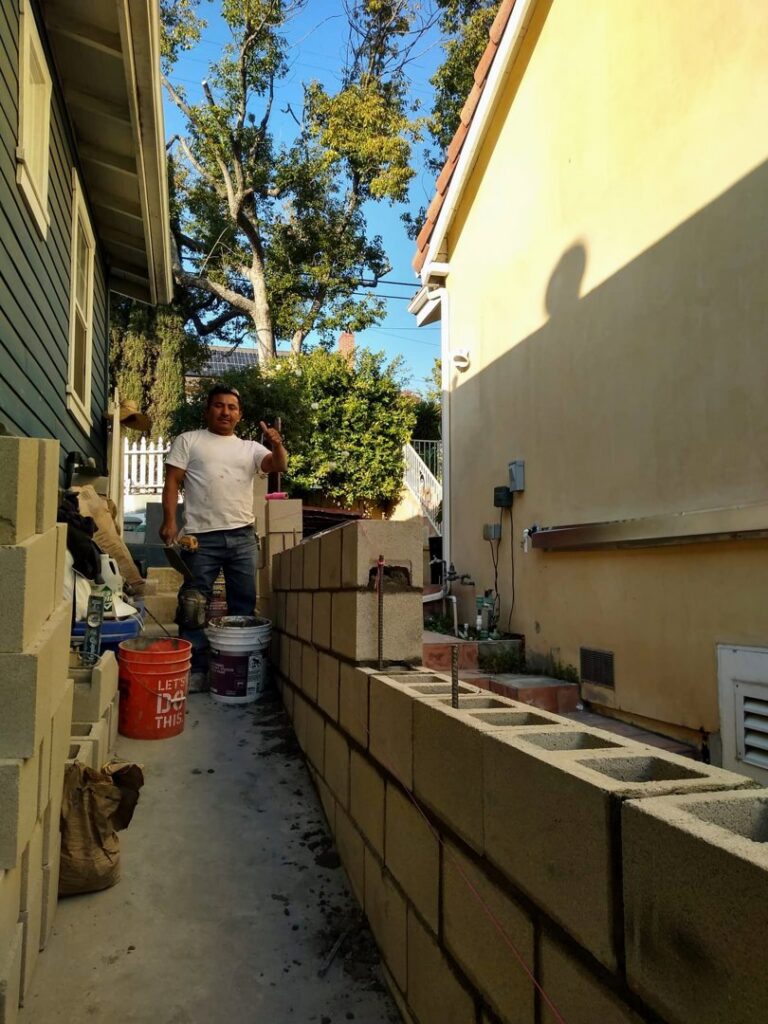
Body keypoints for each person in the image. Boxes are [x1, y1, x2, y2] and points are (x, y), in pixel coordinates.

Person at [160, 384, 288, 688]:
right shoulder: (189, 441)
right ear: (207, 410)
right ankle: (196, 671)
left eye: (231, 407)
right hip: (200, 538)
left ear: (239, 415)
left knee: (243, 605)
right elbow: (172, 482)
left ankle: (237, 667)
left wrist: (277, 444)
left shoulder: (250, 449)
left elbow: (278, 465)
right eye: (219, 405)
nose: (225, 411)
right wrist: (169, 522)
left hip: (242, 537)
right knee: (193, 605)